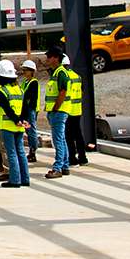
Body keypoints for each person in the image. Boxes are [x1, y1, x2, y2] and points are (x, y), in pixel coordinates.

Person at [42, 47, 80, 179]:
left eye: (49, 57)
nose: (47, 59)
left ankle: (58, 168)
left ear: (56, 58)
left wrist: (56, 108)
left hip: (58, 111)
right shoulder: (57, 72)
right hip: (58, 111)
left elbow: (63, 92)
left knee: (58, 140)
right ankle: (64, 166)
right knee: (62, 140)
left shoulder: (60, 73)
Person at [0, 60, 31, 188]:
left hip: (8, 126)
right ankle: (25, 178)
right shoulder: (19, 90)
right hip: (19, 127)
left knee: (11, 152)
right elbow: (25, 107)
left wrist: (16, 120)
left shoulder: (2, 91)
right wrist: (23, 120)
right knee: (20, 151)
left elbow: (7, 109)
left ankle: (15, 180)